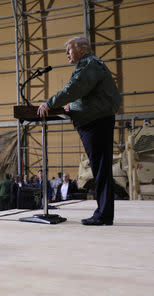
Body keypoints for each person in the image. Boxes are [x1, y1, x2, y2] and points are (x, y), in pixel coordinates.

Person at [38, 36, 121, 226]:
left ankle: (103, 214)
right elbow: (84, 94)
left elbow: (74, 88)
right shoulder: (88, 64)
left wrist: (50, 103)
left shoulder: (89, 64)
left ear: (82, 49)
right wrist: (71, 107)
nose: (67, 53)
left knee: (100, 169)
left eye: (69, 49)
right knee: (101, 168)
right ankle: (103, 213)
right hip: (96, 120)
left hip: (96, 122)